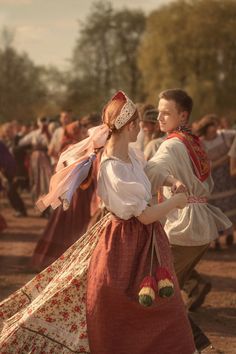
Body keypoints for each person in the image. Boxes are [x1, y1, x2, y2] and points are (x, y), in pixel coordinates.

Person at [0, 91, 196, 354]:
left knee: (164, 306)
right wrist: (175, 202)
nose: (141, 128)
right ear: (129, 127)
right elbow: (144, 215)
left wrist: (172, 182)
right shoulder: (113, 167)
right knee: (129, 307)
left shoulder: (131, 157)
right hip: (125, 244)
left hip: (147, 241)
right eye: (137, 123)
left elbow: (149, 173)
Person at [145, 89, 231, 349]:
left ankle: (201, 346)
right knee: (167, 293)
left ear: (182, 115)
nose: (160, 117)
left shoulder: (171, 144)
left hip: (184, 226)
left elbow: (152, 169)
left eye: (166, 113)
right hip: (199, 225)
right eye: (158, 112)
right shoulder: (192, 141)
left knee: (158, 293)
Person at [31, 114, 101, 271]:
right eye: (86, 128)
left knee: (84, 226)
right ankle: (65, 263)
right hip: (75, 192)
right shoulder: (76, 147)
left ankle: (81, 263)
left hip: (89, 192)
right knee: (69, 226)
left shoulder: (97, 146)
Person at [196, 114, 236, 249]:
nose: (214, 128)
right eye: (211, 125)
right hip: (212, 181)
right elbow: (206, 166)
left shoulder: (224, 135)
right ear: (205, 128)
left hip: (227, 179)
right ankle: (217, 239)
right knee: (215, 209)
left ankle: (230, 233)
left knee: (229, 206)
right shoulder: (200, 143)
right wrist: (226, 158)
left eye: (215, 125)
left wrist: (231, 155)